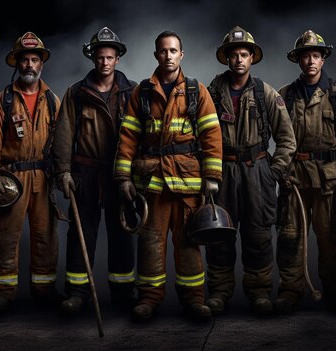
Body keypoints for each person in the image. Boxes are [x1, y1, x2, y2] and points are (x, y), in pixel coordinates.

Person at [113, 30, 223, 322]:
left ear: (181, 55)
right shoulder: (142, 93)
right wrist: (123, 178)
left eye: (173, 51)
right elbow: (128, 138)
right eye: (163, 51)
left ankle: (194, 300)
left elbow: (212, 133)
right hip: (152, 185)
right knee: (150, 243)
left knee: (188, 244)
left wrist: (212, 175)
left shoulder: (196, 91)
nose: (168, 55)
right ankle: (149, 298)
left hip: (187, 182)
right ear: (156, 55)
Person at [204, 26, 296, 315]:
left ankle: (259, 292)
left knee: (258, 236)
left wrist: (274, 170)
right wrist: (207, 172)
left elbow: (287, 139)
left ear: (252, 58)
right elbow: (198, 135)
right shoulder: (212, 93)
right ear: (226, 59)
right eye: (234, 55)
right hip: (222, 171)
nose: (239, 60)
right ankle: (219, 292)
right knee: (220, 234)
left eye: (244, 54)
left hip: (257, 170)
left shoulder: (265, 93)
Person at [275, 30, 336, 315]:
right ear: (298, 61)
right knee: (290, 236)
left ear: (323, 59)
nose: (310, 61)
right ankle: (289, 291)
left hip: (329, 178)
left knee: (331, 236)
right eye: (305, 56)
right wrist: (280, 170)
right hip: (295, 177)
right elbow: (278, 138)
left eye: (315, 55)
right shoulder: (284, 96)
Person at [52, 27, 137, 315]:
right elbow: (64, 134)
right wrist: (63, 171)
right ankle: (77, 293)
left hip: (119, 174)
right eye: (100, 58)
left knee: (122, 233)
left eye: (109, 57)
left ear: (117, 59)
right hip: (85, 174)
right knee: (80, 234)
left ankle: (124, 293)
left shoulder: (132, 92)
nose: (105, 63)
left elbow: (141, 136)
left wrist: (136, 173)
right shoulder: (76, 93)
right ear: (93, 59)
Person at [0, 32, 62, 312]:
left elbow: (62, 142)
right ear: (17, 63)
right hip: (11, 179)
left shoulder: (53, 100)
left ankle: (44, 289)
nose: (30, 64)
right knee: (6, 235)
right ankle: (2, 292)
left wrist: (63, 173)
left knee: (45, 235)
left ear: (42, 64)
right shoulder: (3, 99)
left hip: (43, 177)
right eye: (25, 59)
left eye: (35, 59)